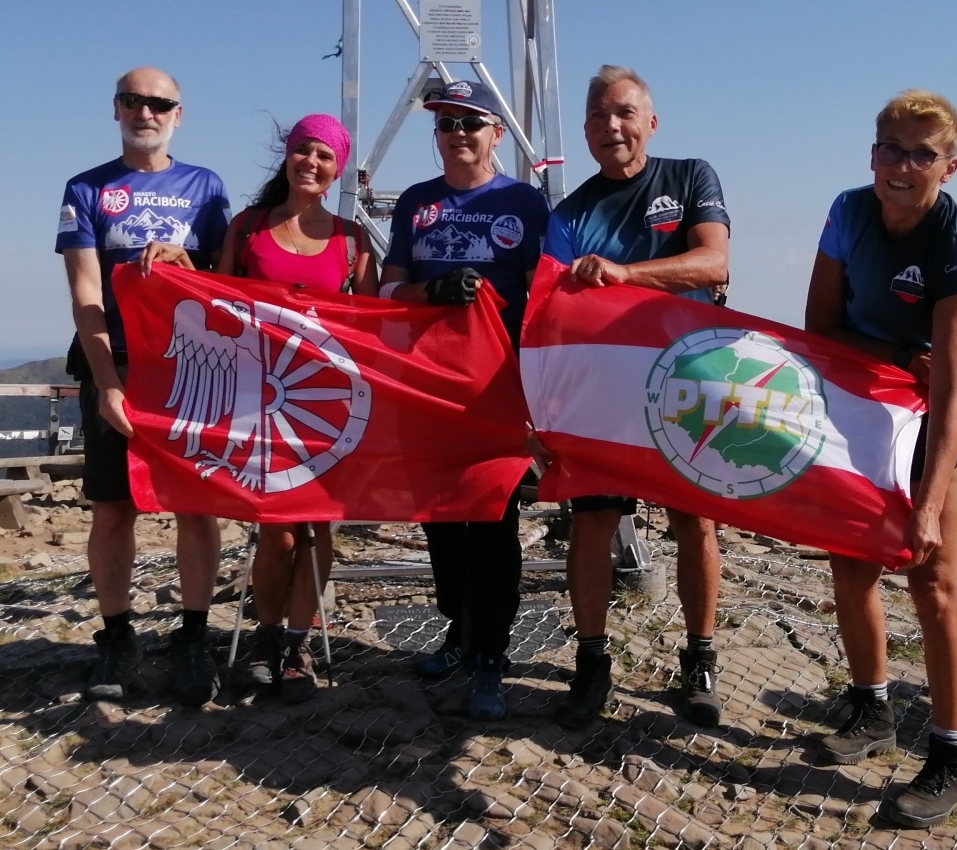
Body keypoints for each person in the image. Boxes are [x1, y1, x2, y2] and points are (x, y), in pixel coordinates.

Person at [803, 89, 957, 829]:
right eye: (891, 149)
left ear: (950, 165)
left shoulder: (955, 240)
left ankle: (951, 755)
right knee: (851, 566)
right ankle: (871, 709)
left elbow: (946, 387)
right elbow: (819, 330)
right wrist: (889, 355)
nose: (903, 166)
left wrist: (932, 504)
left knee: (934, 581)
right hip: (867, 408)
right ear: (872, 154)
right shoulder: (849, 212)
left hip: (942, 416)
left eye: (921, 154)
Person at [542, 66, 731, 727]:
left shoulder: (690, 177)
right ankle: (591, 661)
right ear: (586, 131)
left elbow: (713, 264)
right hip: (605, 391)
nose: (611, 126)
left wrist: (625, 275)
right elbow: (552, 308)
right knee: (592, 524)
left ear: (651, 122)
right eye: (598, 116)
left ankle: (700, 658)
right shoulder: (568, 214)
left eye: (624, 113)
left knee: (694, 523)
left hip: (690, 379)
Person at [56, 67, 231, 708]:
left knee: (195, 505)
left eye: (159, 103)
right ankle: (117, 634)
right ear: (116, 109)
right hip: (117, 366)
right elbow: (84, 295)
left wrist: (194, 265)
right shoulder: (86, 187)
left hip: (189, 370)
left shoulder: (206, 187)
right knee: (112, 506)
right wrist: (107, 384)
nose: (146, 111)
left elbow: (227, 282)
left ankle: (193, 635)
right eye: (134, 100)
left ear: (178, 115)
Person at [379, 79, 549, 720]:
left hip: (498, 391)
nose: (458, 134)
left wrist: (541, 390)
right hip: (429, 387)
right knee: (442, 524)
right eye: (446, 124)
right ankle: (459, 629)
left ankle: (491, 656)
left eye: (471, 123)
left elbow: (543, 301)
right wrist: (431, 294)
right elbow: (389, 291)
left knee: (493, 524)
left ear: (496, 134)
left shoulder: (525, 203)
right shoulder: (416, 204)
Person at [216, 113, 378, 703]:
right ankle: (266, 635)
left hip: (327, 403)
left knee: (316, 528)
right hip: (259, 401)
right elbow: (214, 300)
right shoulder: (249, 228)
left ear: (338, 170)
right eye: (304, 151)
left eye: (325, 157)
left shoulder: (351, 240)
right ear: (288, 155)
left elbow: (374, 325)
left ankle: (297, 642)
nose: (312, 163)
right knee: (276, 529)